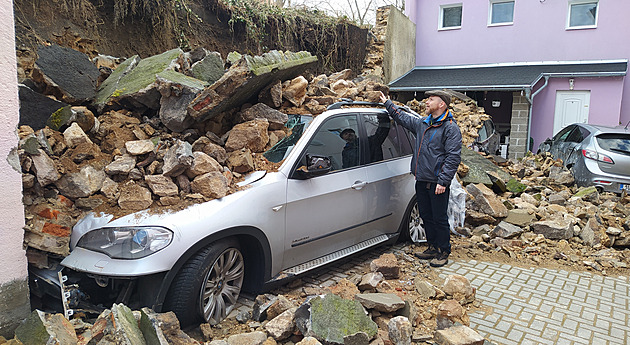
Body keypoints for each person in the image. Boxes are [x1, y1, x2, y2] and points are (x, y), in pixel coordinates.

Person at [379, 90, 462, 267]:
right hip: (422, 179)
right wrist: (388, 104)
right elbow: (403, 118)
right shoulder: (423, 124)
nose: (426, 102)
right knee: (426, 215)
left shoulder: (450, 128)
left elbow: (453, 157)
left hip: (437, 182)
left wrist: (443, 181)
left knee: (439, 217)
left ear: (442, 104)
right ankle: (432, 246)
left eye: (431, 100)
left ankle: (443, 251)